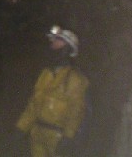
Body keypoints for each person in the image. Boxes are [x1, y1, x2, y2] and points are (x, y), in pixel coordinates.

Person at [16, 26, 89, 157]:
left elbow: (76, 110)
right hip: (37, 134)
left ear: (68, 49)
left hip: (57, 137)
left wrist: (68, 137)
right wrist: (21, 128)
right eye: (53, 42)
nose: (53, 45)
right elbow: (33, 105)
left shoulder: (75, 79)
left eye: (58, 42)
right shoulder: (45, 74)